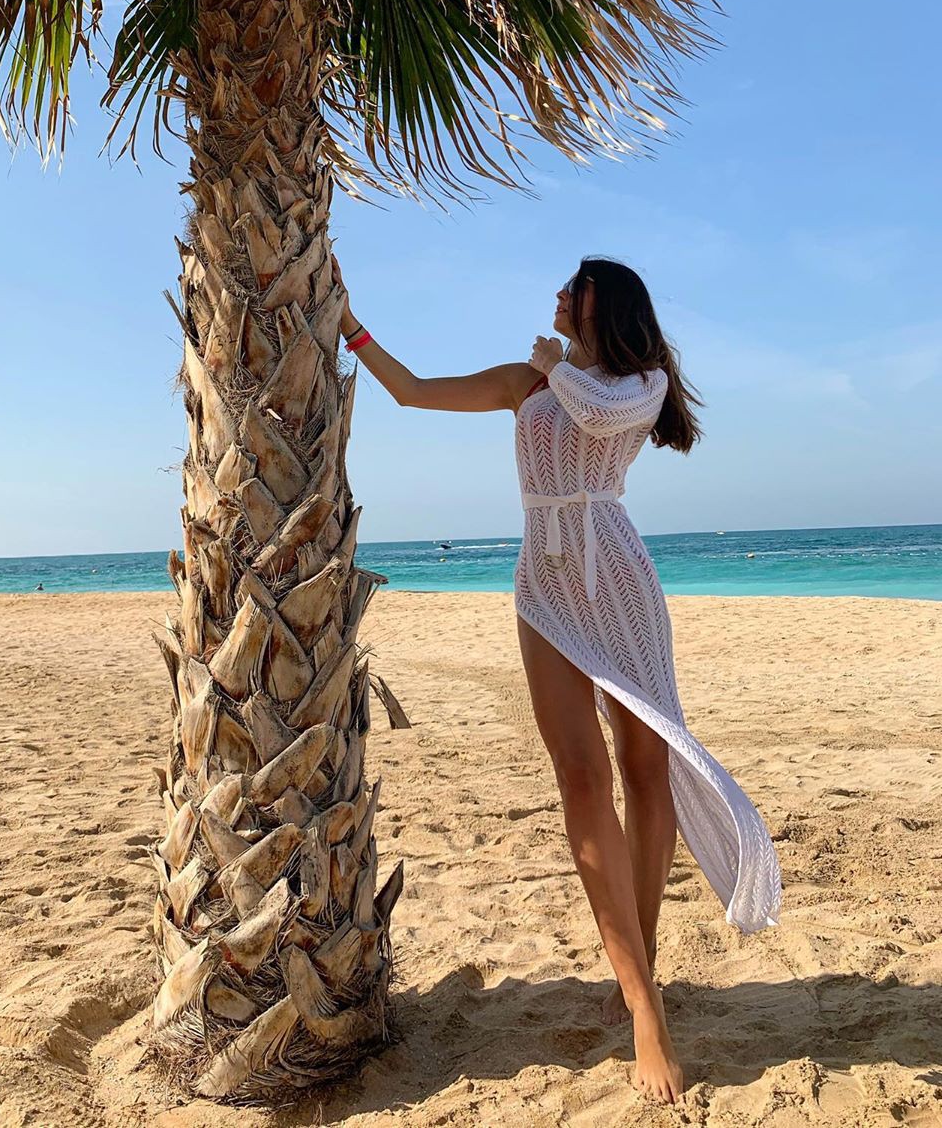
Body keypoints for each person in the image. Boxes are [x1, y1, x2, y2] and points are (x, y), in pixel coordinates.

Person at [330, 253, 781, 1105]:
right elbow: (414, 390)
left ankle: (635, 963)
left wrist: (550, 367)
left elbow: (600, 408)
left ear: (602, 306)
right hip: (545, 582)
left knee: (648, 773)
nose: (558, 297)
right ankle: (646, 1007)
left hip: (616, 575)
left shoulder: (637, 384)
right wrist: (352, 327)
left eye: (573, 290)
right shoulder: (529, 380)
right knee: (583, 778)